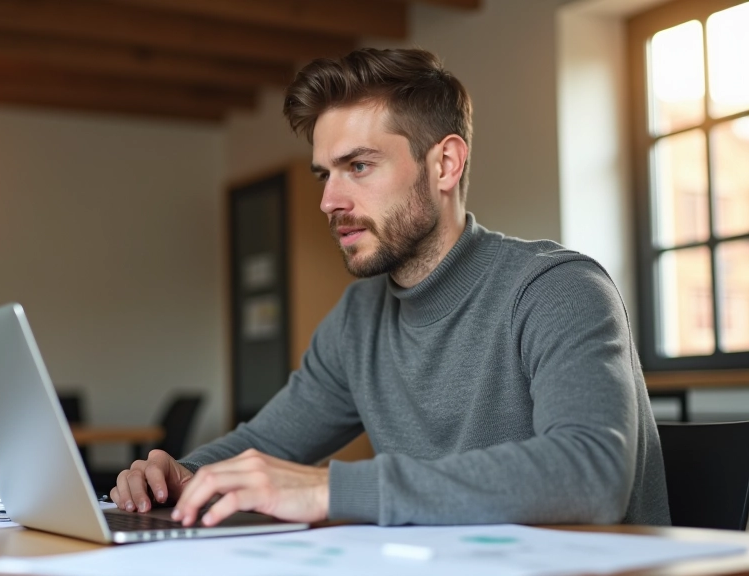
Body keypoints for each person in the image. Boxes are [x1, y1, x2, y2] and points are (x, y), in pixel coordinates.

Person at [110, 47, 670, 528]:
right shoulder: (359, 319)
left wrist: (330, 490)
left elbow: (591, 473)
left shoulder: (557, 289)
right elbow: (267, 447)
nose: (330, 201)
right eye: (324, 174)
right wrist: (178, 474)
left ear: (445, 164)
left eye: (358, 166)